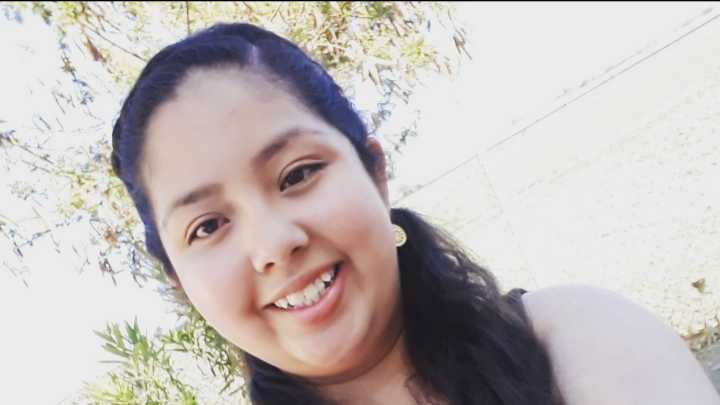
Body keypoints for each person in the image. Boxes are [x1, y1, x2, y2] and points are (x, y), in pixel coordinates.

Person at [110, 22, 719, 405]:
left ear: (374, 173)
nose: (273, 244)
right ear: (180, 283)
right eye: (207, 226)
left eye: (297, 174)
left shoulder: (576, 340)